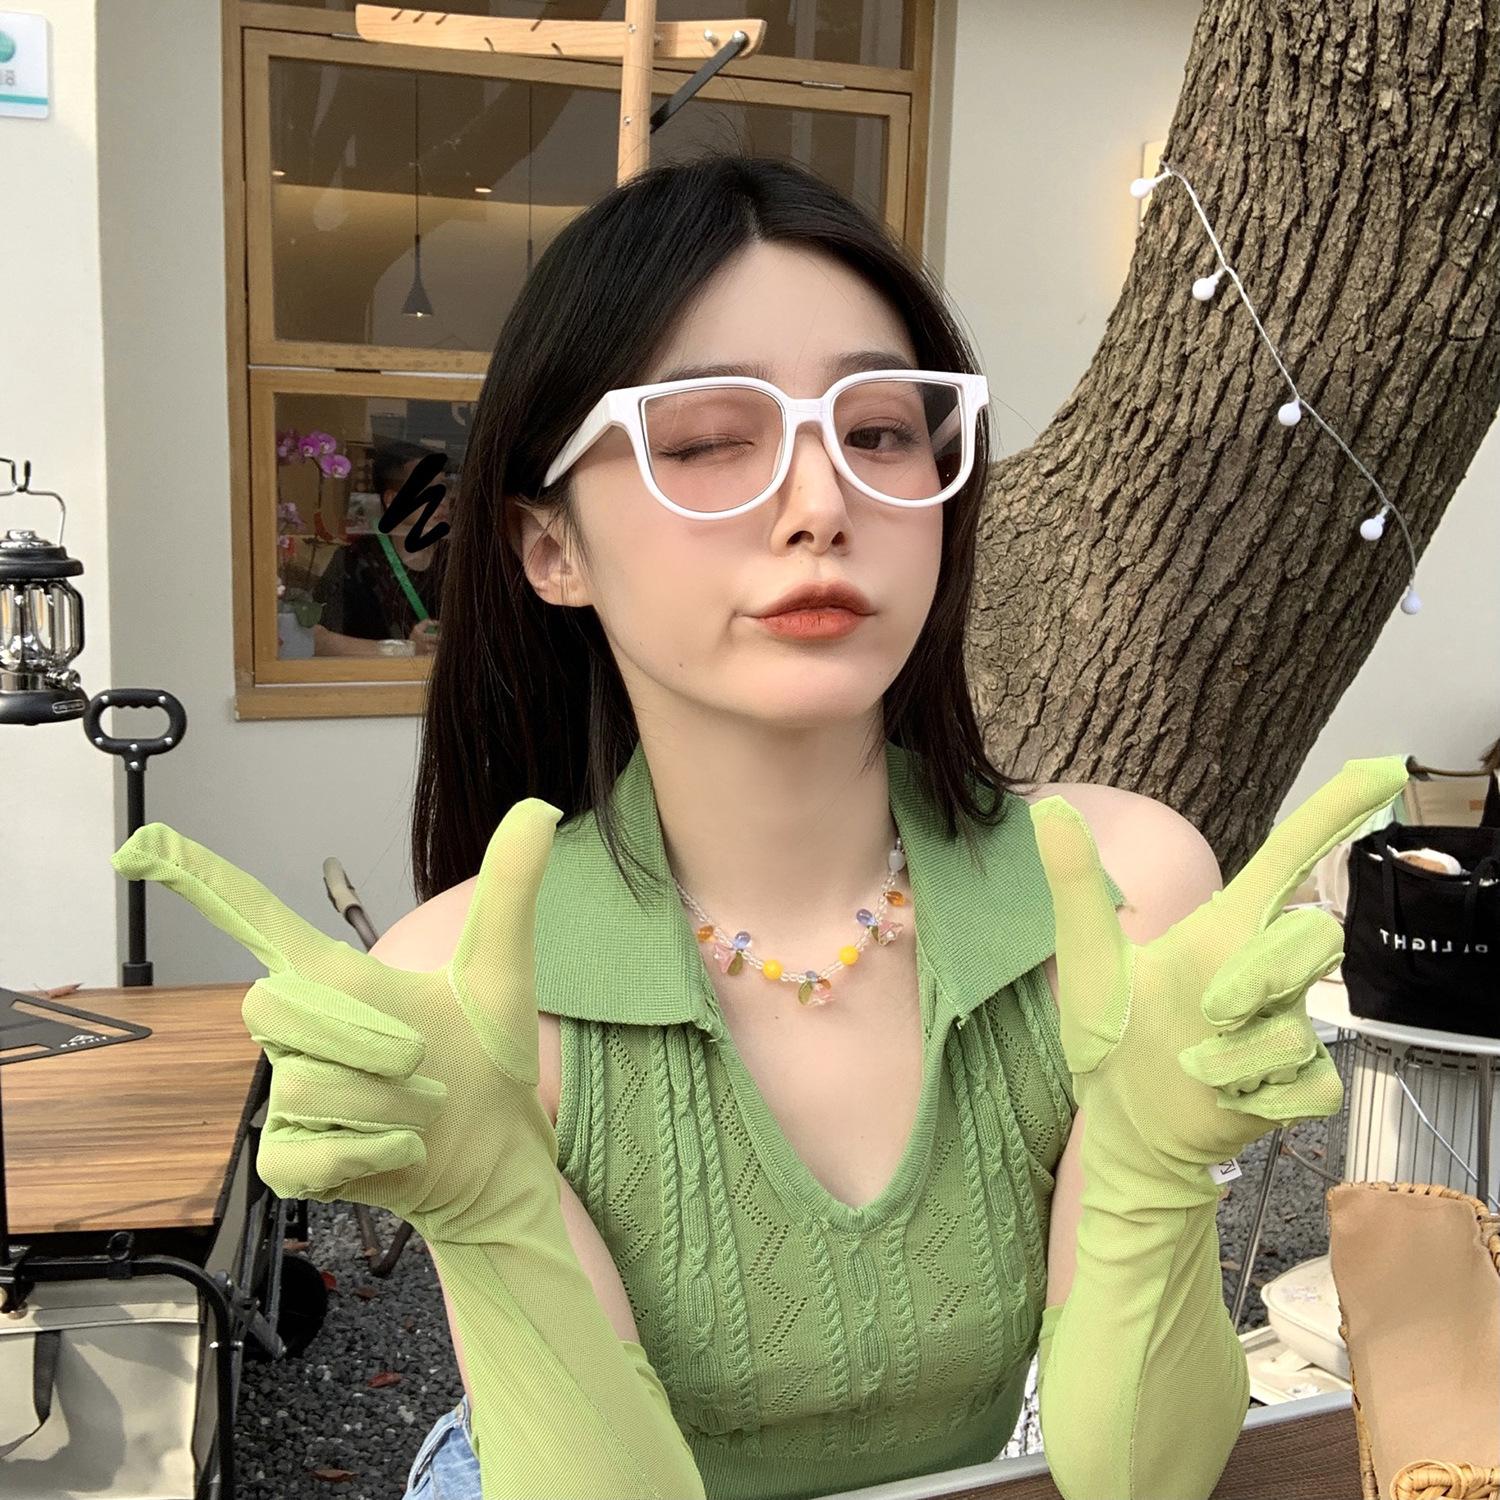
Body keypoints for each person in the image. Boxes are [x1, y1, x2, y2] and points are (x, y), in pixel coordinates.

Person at [113, 154, 1405, 1500]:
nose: (820, 505)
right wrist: (486, 1209)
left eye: (880, 430)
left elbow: (1138, 1480)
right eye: (703, 442)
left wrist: (1151, 1168)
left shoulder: (1120, 888)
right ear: (551, 548)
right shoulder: (469, 989)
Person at [312, 439, 451, 657]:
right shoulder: (354, 561)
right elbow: (317, 640)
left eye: (444, 487)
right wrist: (405, 650)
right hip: (375, 677)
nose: (441, 499)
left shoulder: (458, 559)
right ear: (393, 500)